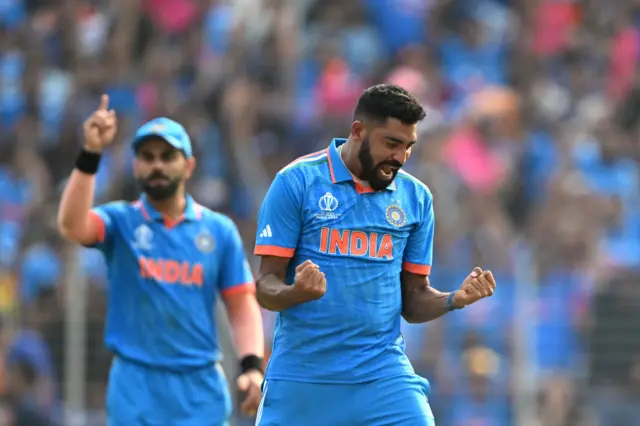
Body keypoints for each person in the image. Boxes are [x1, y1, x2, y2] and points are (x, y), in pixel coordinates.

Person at [253, 84, 497, 426]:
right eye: (391, 144)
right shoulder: (298, 182)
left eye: (408, 147)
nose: (400, 157)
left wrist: (453, 298)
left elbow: (412, 300)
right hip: (304, 377)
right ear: (358, 131)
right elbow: (265, 285)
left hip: (381, 376)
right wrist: (295, 293)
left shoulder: (416, 198)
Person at [57, 95, 264, 425]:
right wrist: (91, 154)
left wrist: (251, 367)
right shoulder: (121, 222)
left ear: (189, 165)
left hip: (199, 387)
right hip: (135, 384)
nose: (157, 165)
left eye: (168, 156)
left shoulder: (219, 230)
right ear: (135, 164)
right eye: (147, 156)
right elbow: (71, 225)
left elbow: (241, 304)